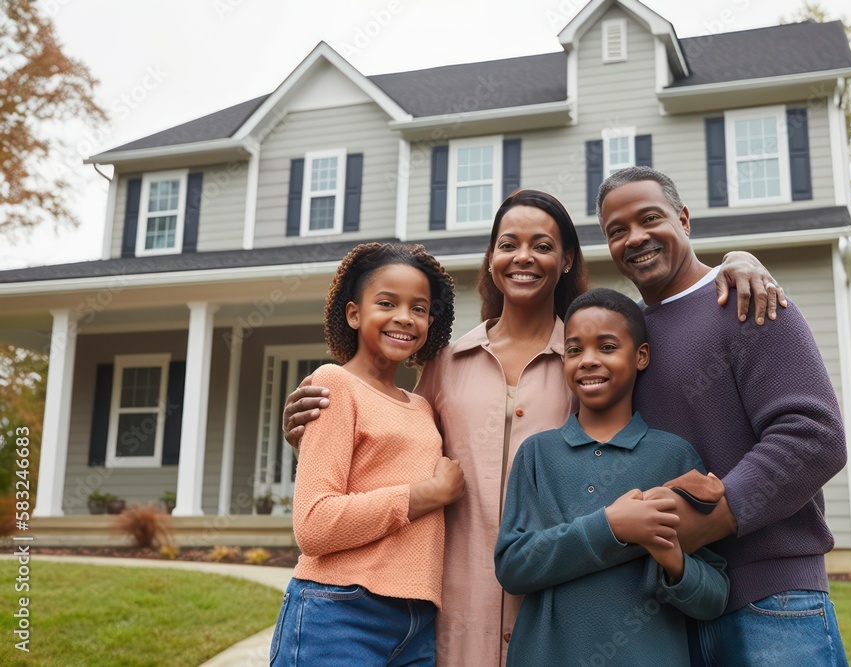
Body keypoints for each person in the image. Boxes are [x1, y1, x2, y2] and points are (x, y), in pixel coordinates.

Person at [283, 189, 785, 667]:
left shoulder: (589, 355)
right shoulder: (445, 362)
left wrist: (736, 260)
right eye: (508, 245)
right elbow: (391, 435)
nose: (523, 257)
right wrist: (314, 427)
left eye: (541, 246)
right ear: (491, 259)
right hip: (448, 615)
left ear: (566, 259)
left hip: (559, 618)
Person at [597, 167, 849, 666]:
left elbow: (813, 435)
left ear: (684, 219)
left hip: (773, 599)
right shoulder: (625, 338)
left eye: (650, 218)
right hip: (671, 609)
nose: (635, 238)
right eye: (617, 230)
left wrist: (709, 517)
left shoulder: (750, 300)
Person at [495, 288, 729, 666]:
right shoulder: (537, 454)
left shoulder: (675, 457)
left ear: (640, 356)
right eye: (574, 350)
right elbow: (513, 568)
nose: (588, 361)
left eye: (606, 347)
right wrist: (610, 527)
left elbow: (714, 596)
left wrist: (672, 558)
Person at [269, 243, 466, 667]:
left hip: (417, 619)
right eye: (387, 303)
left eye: (419, 308)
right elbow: (314, 525)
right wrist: (428, 494)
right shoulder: (333, 384)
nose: (404, 317)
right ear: (354, 314)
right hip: (340, 611)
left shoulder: (421, 406)